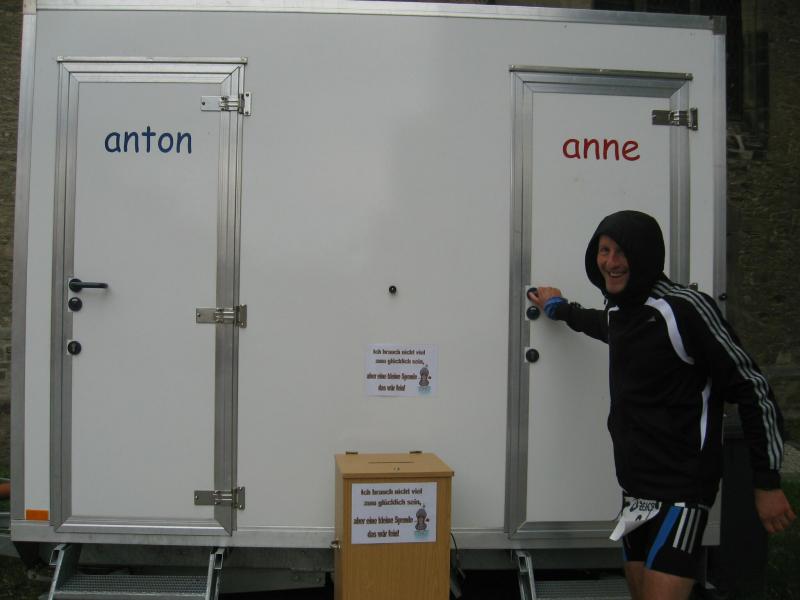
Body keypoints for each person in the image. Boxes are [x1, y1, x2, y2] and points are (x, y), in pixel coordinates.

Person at [529, 210, 795, 600]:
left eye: (623, 251)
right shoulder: (620, 311)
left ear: (646, 254)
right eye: (604, 250)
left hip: (683, 488)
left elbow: (752, 388)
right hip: (635, 488)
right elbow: (599, 324)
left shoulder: (684, 309)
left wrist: (767, 482)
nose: (611, 262)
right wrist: (558, 308)